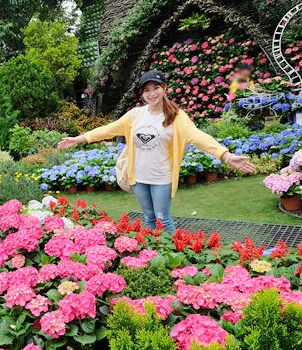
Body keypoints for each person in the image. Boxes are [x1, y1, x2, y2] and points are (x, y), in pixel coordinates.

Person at [57, 70, 256, 232]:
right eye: (146, 90)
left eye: (156, 88)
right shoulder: (135, 115)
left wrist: (226, 155)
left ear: (164, 89)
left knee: (163, 220)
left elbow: (198, 137)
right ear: (142, 94)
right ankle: (153, 255)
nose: (151, 94)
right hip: (139, 177)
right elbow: (108, 129)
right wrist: (79, 139)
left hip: (162, 177)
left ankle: (173, 256)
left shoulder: (176, 117)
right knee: (148, 218)